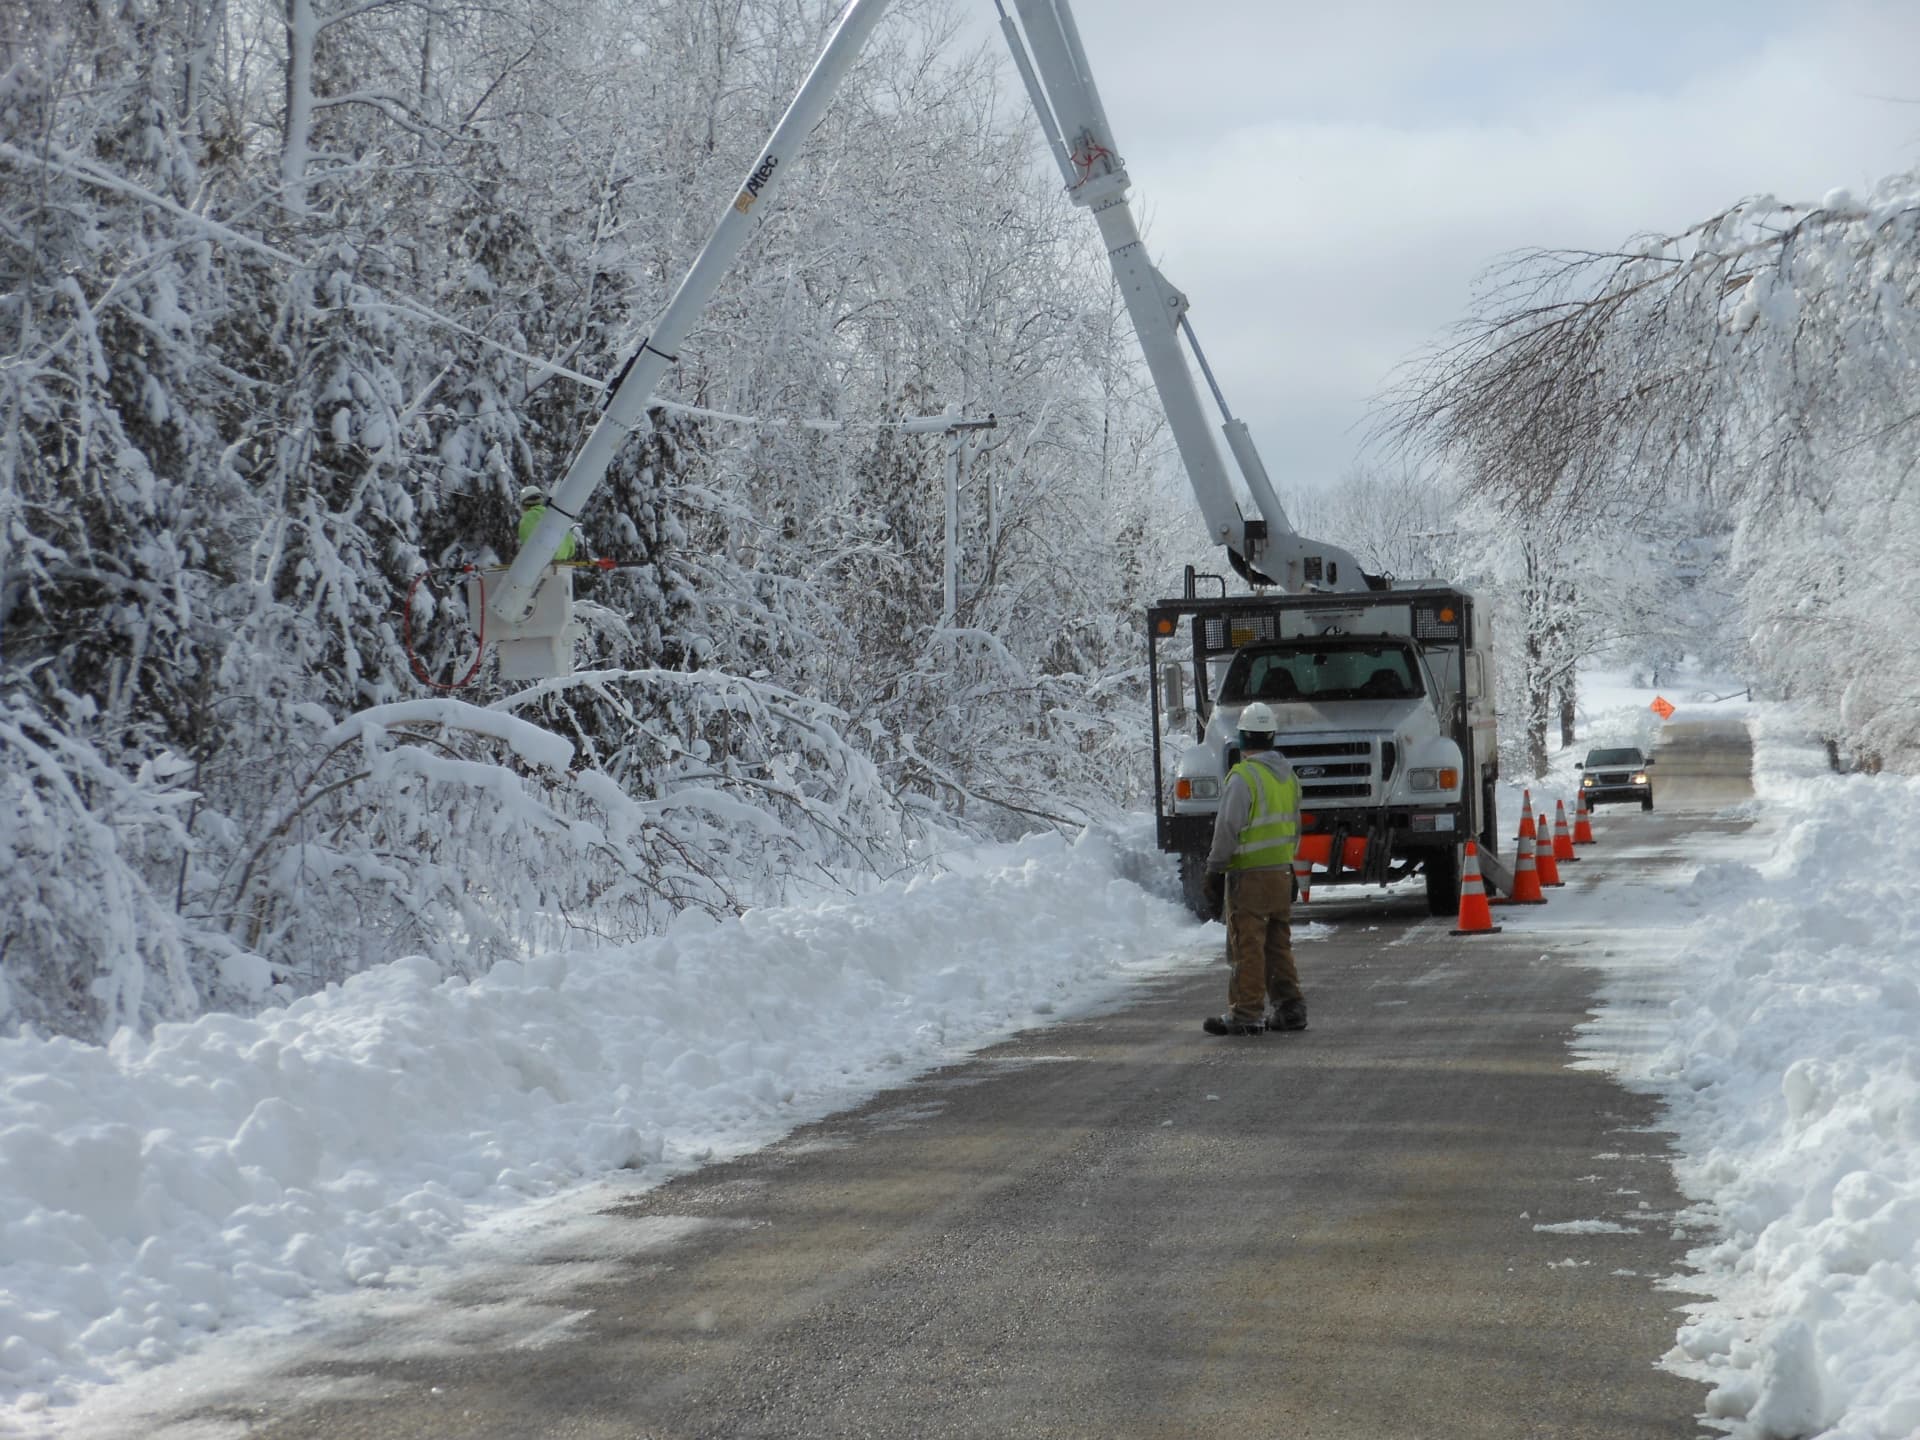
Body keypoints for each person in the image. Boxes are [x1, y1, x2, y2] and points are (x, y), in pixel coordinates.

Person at [1201, 701, 1307, 1036]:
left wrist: (1215, 869)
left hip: (1249, 877)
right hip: (1280, 873)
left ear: (1243, 738)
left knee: (1246, 944)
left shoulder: (1243, 777)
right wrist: (1289, 865)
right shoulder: (1287, 778)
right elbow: (1295, 825)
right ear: (1272, 737)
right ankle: (1290, 1008)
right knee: (1278, 944)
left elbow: (1227, 828)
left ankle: (1246, 1013)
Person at [517, 486, 579, 562]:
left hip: (539, 565)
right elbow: (571, 547)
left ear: (524, 505)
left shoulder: (528, 518)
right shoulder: (555, 514)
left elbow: (526, 542)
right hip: (561, 565)